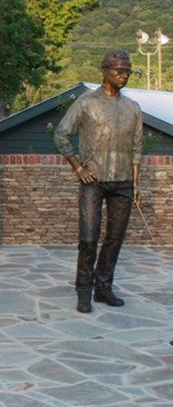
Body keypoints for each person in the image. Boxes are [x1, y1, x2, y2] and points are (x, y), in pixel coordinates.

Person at [54, 49, 142, 313]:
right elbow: (61, 134)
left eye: (127, 70)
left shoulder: (133, 108)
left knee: (115, 238)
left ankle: (104, 287)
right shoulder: (86, 103)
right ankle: (84, 291)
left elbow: (137, 148)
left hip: (123, 182)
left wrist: (136, 185)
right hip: (93, 181)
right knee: (89, 238)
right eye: (119, 70)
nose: (124, 75)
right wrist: (78, 168)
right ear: (104, 71)